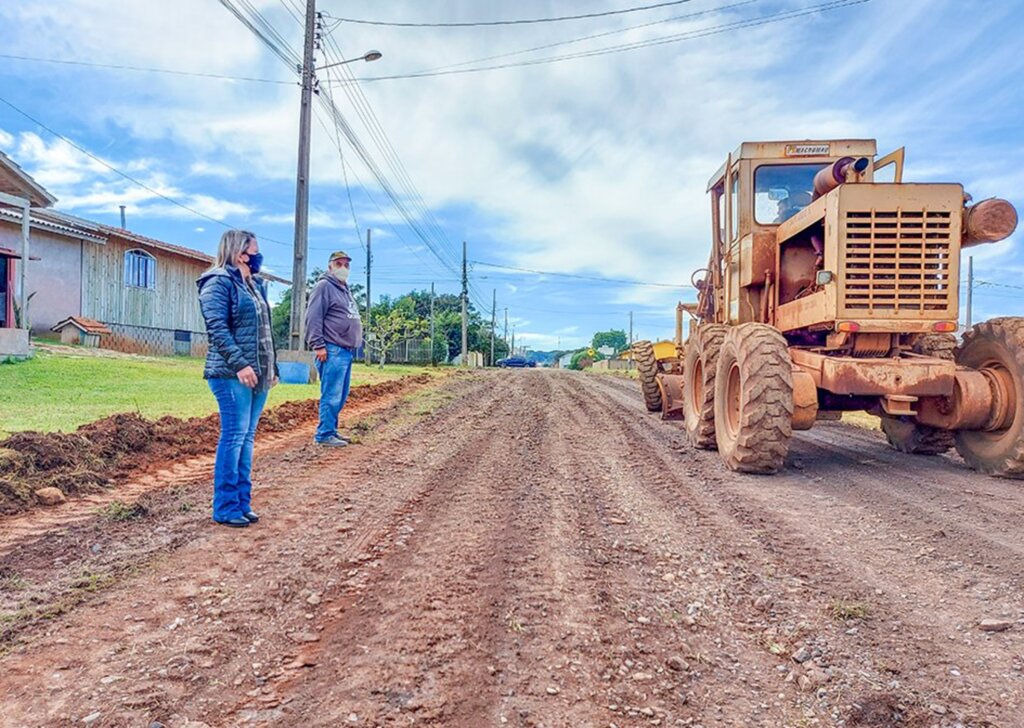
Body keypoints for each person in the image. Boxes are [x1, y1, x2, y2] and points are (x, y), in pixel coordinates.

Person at [197, 229, 278, 528]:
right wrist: (242, 365)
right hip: (231, 373)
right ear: (239, 251)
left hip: (257, 374)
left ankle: (242, 502)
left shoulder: (253, 284)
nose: (258, 255)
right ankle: (226, 506)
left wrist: (273, 369)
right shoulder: (218, 281)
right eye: (255, 250)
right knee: (233, 437)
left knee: (246, 438)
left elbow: (265, 331)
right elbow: (217, 328)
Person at [305, 250, 363, 447]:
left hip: (345, 351)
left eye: (347, 264)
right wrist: (318, 345)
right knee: (331, 394)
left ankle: (332, 430)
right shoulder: (323, 287)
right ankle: (324, 434)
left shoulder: (344, 289)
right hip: (331, 349)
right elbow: (313, 317)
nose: (343, 268)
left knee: (341, 394)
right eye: (339, 264)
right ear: (330, 266)